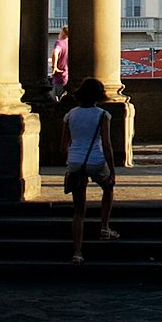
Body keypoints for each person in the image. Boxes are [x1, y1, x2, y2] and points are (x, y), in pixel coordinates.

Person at [62, 77, 117, 264]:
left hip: (76, 161)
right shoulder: (103, 115)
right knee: (108, 188)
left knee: (78, 210)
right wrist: (112, 169)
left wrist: (70, 161)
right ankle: (104, 227)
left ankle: (77, 252)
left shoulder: (70, 115)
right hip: (96, 160)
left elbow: (64, 145)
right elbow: (107, 144)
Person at [49, 25, 69, 98]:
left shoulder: (60, 43)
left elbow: (55, 52)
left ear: (63, 33)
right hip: (67, 77)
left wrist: (54, 67)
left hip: (60, 77)